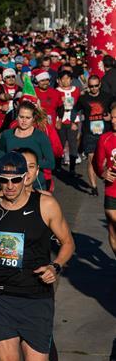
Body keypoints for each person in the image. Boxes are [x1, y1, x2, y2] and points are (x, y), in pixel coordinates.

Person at [0, 152, 75, 361]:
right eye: (4, 180)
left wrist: (55, 266)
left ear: (26, 178)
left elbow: (68, 243)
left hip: (36, 299)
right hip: (0, 299)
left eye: (15, 180)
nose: (9, 186)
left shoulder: (45, 205)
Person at [0, 102, 56, 185]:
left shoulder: (40, 136)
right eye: (21, 117)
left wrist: (29, 163)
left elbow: (51, 163)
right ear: (17, 116)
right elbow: (0, 151)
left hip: (35, 184)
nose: (24, 121)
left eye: (28, 118)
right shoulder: (7, 135)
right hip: (12, 183)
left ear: (33, 118)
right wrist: (3, 164)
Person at [77, 75, 114, 195]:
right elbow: (74, 110)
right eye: (91, 86)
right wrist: (73, 122)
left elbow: (114, 108)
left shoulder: (107, 97)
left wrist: (111, 117)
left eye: (96, 86)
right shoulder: (83, 98)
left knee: (107, 159)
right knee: (91, 159)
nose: (94, 88)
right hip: (90, 134)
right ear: (88, 86)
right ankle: (94, 187)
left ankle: (107, 178)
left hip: (105, 134)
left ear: (100, 85)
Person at [94, 103, 116, 257]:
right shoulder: (105, 139)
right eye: (112, 117)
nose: (113, 121)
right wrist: (103, 173)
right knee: (113, 230)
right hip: (112, 190)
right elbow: (97, 164)